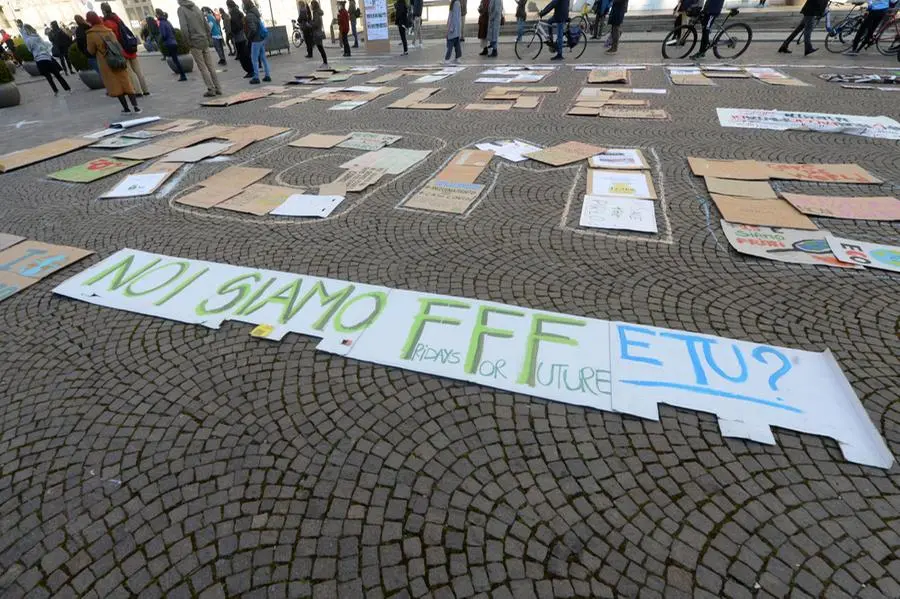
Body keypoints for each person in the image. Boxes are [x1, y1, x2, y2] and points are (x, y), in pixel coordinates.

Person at [85, 12, 140, 112]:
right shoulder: (108, 30)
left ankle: (126, 108)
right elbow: (117, 45)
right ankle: (136, 106)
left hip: (105, 62)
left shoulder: (91, 34)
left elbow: (91, 50)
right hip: (118, 58)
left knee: (114, 85)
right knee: (125, 81)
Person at [100, 2, 149, 95]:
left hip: (122, 49)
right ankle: (146, 90)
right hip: (130, 46)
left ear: (103, 11)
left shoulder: (107, 23)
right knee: (138, 70)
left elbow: (112, 38)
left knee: (130, 72)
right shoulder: (117, 18)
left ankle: (138, 91)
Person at [179, 0, 223, 95]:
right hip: (204, 40)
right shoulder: (196, 8)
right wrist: (207, 37)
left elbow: (184, 28)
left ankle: (211, 89)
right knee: (211, 66)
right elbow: (206, 24)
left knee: (203, 68)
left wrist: (188, 42)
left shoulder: (181, 10)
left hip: (195, 42)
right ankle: (218, 87)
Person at [22, 24, 71, 95]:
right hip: (47, 56)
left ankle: (55, 91)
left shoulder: (28, 40)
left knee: (48, 76)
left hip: (39, 59)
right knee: (57, 74)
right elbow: (44, 45)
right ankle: (67, 88)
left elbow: (30, 49)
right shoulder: (37, 36)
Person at [242, 0, 272, 82]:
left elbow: (253, 29)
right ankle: (267, 75)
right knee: (263, 58)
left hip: (256, 40)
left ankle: (256, 77)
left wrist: (249, 37)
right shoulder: (256, 12)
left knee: (254, 59)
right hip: (262, 38)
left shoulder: (249, 15)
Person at [156, 9, 187, 80]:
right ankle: (182, 74)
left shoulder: (161, 23)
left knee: (175, 60)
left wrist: (162, 41)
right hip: (174, 42)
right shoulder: (167, 22)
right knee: (176, 59)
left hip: (169, 43)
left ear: (158, 15)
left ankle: (183, 75)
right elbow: (173, 31)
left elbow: (163, 34)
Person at [226, 0, 254, 75]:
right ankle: (250, 70)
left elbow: (236, 25)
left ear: (229, 6)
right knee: (245, 55)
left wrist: (232, 32)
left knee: (243, 56)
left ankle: (250, 71)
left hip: (238, 37)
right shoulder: (238, 11)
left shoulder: (233, 13)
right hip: (242, 36)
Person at [309, 0, 329, 65]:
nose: (310, 6)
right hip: (318, 31)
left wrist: (310, 23)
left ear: (314, 5)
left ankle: (325, 62)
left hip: (317, 32)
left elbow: (316, 23)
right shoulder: (317, 12)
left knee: (320, 47)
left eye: (311, 5)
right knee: (320, 47)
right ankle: (325, 61)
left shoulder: (316, 13)